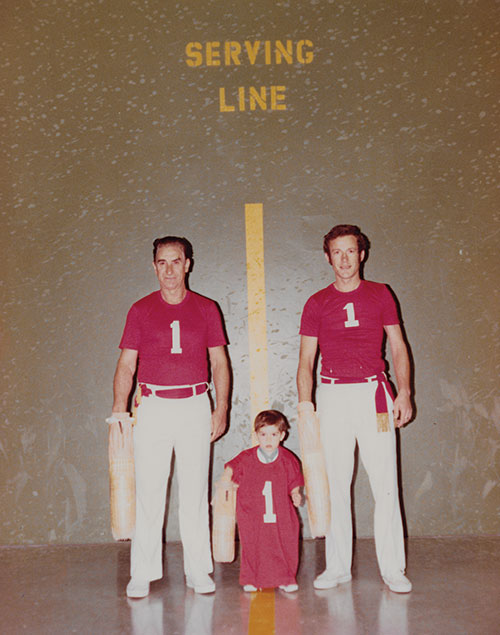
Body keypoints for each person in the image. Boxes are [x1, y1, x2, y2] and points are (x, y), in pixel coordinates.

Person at [110, 236, 230, 598]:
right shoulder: (140, 309)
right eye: (162, 263)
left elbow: (219, 363)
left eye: (175, 261)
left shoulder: (207, 308)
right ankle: (142, 573)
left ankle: (198, 571)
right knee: (149, 492)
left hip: (195, 404)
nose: (169, 270)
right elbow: (126, 364)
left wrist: (220, 408)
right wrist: (119, 409)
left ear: (188, 264)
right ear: (154, 267)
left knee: (194, 493)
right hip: (153, 407)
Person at [296, 224, 413, 594]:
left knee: (385, 485)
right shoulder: (316, 302)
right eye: (337, 252)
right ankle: (337, 567)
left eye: (351, 251)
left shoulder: (380, 294)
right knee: (334, 484)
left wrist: (405, 391)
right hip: (332, 397)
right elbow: (305, 361)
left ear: (362, 254)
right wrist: (305, 404)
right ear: (327, 257)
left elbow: (397, 346)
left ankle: (393, 569)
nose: (344, 259)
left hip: (374, 396)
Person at [222, 410, 304, 592]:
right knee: (253, 544)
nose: (268, 440)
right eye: (263, 434)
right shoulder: (246, 457)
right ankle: (252, 578)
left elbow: (294, 481)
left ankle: (286, 577)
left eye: (274, 434)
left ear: (282, 436)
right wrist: (226, 480)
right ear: (256, 435)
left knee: (285, 541)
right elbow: (231, 467)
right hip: (253, 511)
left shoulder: (288, 459)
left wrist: (296, 493)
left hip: (280, 511)